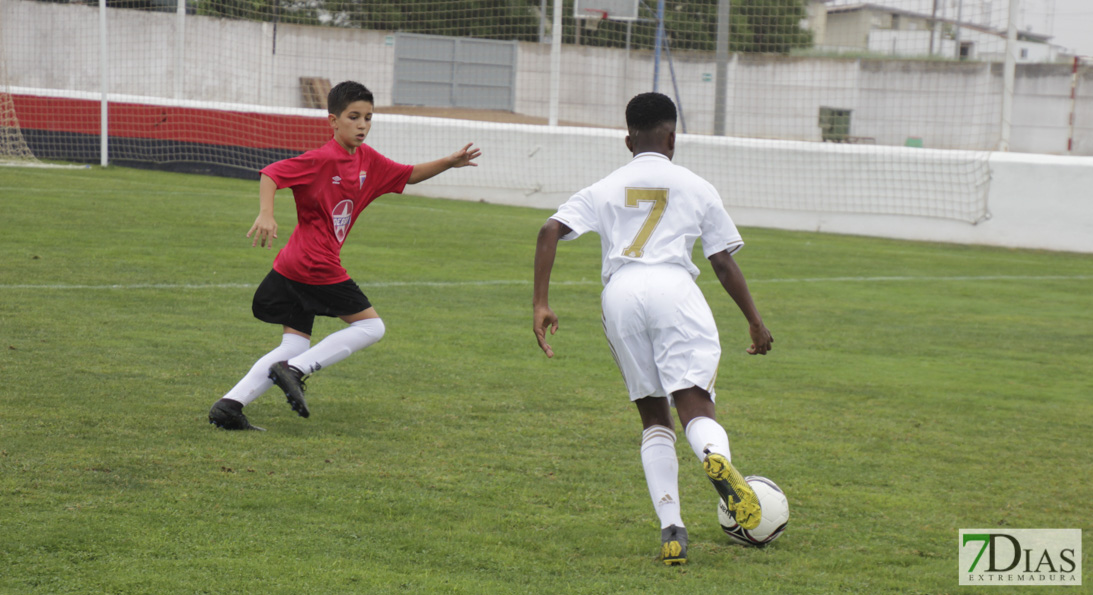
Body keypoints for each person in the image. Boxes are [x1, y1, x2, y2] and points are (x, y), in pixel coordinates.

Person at [531, 92, 773, 565]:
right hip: (674, 289)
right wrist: (755, 322)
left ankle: (671, 528)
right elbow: (721, 261)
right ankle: (712, 457)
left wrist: (540, 302)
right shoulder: (695, 185)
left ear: (627, 140)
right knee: (696, 406)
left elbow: (548, 231)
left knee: (654, 419)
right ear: (672, 137)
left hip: (621, 293)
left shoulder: (604, 186)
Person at [209, 80, 481, 431]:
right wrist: (266, 213)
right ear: (333, 121)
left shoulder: (368, 160)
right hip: (315, 265)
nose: (363, 125)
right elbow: (272, 173)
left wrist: (449, 161)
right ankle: (295, 371)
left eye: (368, 117)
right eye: (354, 117)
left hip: (291, 267)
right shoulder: (321, 159)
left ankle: (229, 407)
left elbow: (408, 175)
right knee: (371, 326)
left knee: (293, 343)